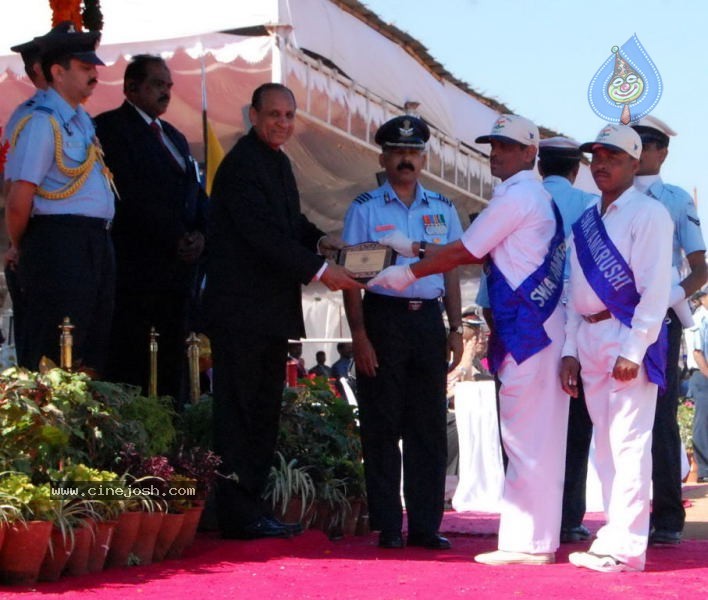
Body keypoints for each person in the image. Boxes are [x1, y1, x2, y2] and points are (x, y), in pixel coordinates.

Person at [371, 114, 568, 565]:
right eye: (492, 145)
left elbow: (466, 250)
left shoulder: (517, 198)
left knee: (523, 437)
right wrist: (418, 250)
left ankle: (526, 543)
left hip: (526, 329)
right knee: (536, 438)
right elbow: (476, 247)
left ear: (530, 153)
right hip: (538, 327)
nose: (495, 153)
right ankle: (534, 540)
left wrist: (407, 273)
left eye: (506, 146)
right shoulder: (530, 196)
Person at [202, 83, 362, 540]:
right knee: (239, 414)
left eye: (289, 115)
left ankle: (252, 507)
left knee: (263, 413)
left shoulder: (278, 162)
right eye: (274, 114)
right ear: (253, 115)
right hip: (241, 314)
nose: (282, 123)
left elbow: (289, 224)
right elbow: (262, 237)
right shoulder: (241, 166)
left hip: (269, 314)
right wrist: (319, 269)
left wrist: (321, 241)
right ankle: (236, 513)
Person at [342, 114, 463, 550]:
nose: (406, 160)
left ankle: (427, 525)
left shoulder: (443, 208)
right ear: (384, 157)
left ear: (423, 158)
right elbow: (354, 278)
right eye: (398, 152)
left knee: (428, 427)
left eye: (413, 153)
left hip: (427, 320)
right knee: (382, 423)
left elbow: (450, 270)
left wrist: (455, 327)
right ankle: (389, 524)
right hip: (383, 319)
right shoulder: (365, 208)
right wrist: (360, 336)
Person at [561, 124, 672, 572]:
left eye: (612, 157)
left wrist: (634, 348)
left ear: (633, 162)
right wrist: (569, 346)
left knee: (628, 442)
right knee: (604, 446)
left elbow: (655, 288)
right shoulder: (588, 217)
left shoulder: (649, 214)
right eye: (596, 157)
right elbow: (574, 288)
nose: (601, 164)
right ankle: (613, 534)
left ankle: (627, 548)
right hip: (588, 335)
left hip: (625, 335)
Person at [94, 55, 208, 402]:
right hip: (137, 270)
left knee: (173, 365)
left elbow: (194, 191)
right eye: (158, 84)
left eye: (169, 85)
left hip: (177, 275)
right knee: (136, 363)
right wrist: (174, 234)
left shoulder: (174, 136)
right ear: (131, 87)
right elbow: (128, 193)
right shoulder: (110, 128)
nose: (166, 92)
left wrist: (201, 232)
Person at [4, 26, 115, 373]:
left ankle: (84, 420)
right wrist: (25, 246)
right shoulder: (41, 121)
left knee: (91, 344)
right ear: (57, 71)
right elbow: (19, 199)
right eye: (84, 67)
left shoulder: (81, 121)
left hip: (94, 240)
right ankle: (51, 424)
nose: (94, 74)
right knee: (54, 349)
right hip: (58, 242)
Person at [630, 115, 707, 545]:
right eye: (633, 143)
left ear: (663, 151)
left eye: (648, 144)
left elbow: (700, 268)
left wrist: (667, 298)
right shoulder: (607, 197)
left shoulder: (675, 200)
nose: (640, 151)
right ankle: (625, 514)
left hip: (660, 322)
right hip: (612, 319)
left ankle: (667, 517)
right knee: (617, 419)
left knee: (659, 418)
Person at [537, 136, 598, 544]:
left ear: (539, 166)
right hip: (574, 326)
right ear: (576, 169)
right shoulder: (590, 207)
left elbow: (491, 282)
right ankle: (569, 518)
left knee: (527, 427)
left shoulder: (517, 200)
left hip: (527, 326)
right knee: (576, 427)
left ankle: (528, 515)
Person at [2, 23, 65, 367]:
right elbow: (14, 187)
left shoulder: (73, 116)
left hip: (73, 247)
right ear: (43, 70)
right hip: (42, 243)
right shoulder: (31, 117)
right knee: (43, 351)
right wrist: (17, 244)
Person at [688, 290, 708, 482]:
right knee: (703, 421)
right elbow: (697, 352)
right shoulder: (698, 318)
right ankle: (704, 469)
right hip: (702, 375)